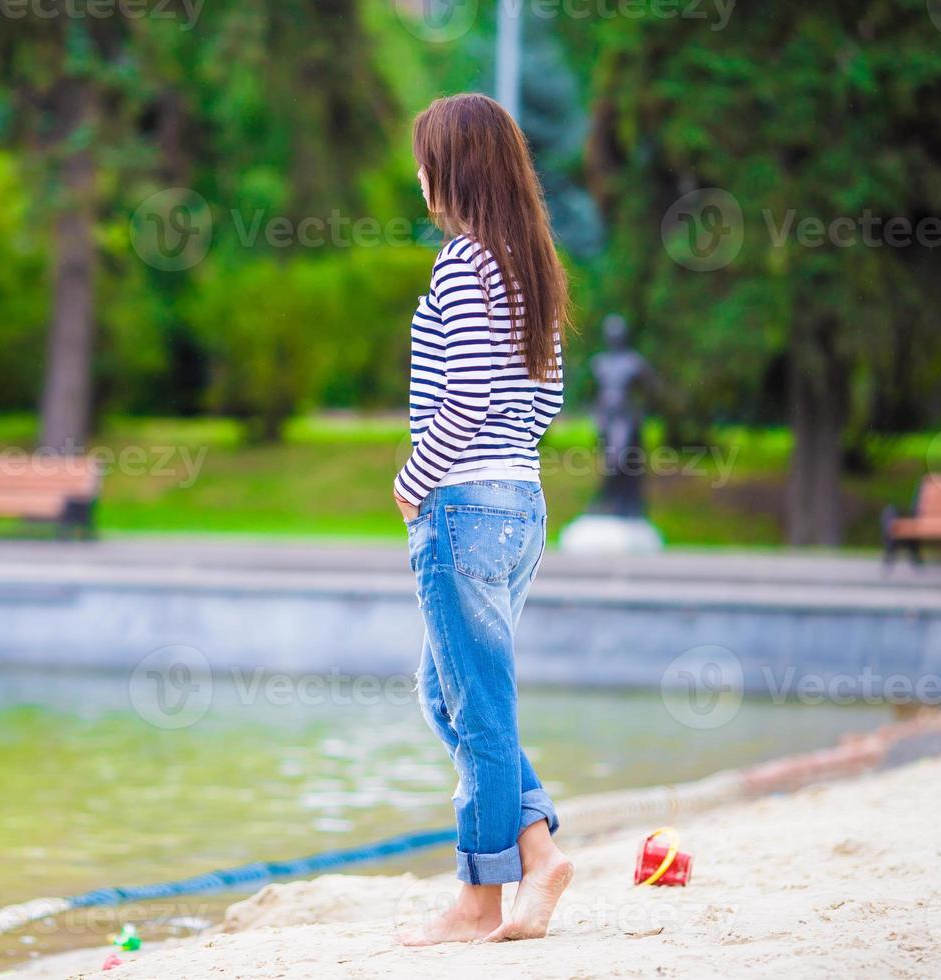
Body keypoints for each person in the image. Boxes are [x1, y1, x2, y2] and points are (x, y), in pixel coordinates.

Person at [392, 93, 573, 945]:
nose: (418, 172)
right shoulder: (527, 263)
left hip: (462, 506)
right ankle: (537, 853)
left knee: (477, 706)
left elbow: (462, 395)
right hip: (521, 503)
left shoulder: (463, 263)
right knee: (453, 695)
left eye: (426, 156)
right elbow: (548, 394)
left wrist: (415, 478)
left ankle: (479, 900)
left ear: (453, 166)